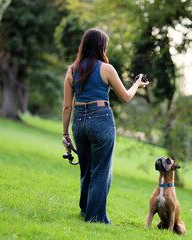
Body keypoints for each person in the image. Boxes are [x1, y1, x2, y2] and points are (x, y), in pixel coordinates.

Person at [62, 28, 148, 224]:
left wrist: (65, 133)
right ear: (102, 47)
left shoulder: (72, 70)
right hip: (101, 119)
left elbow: (67, 105)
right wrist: (137, 85)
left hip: (79, 121)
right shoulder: (106, 69)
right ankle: (95, 218)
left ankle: (86, 210)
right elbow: (125, 97)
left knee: (86, 169)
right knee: (101, 171)